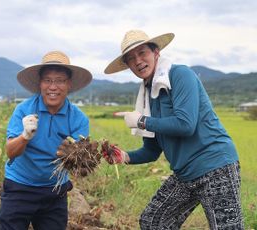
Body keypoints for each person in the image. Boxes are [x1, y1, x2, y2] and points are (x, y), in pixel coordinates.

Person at [103, 29, 244, 229]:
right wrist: (124, 156)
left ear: (156, 52)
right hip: (185, 173)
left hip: (215, 166)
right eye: (131, 58)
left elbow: (185, 124)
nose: (138, 61)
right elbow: (151, 150)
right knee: (153, 221)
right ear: (128, 65)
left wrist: (142, 120)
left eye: (142, 53)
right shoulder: (147, 96)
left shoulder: (180, 74)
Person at [0, 51, 92, 230]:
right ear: (40, 84)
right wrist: (25, 136)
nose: (53, 87)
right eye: (47, 80)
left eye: (60, 80)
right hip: (20, 185)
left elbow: (81, 162)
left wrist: (79, 155)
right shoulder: (23, 110)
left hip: (55, 190)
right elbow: (10, 152)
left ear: (69, 84)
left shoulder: (78, 119)